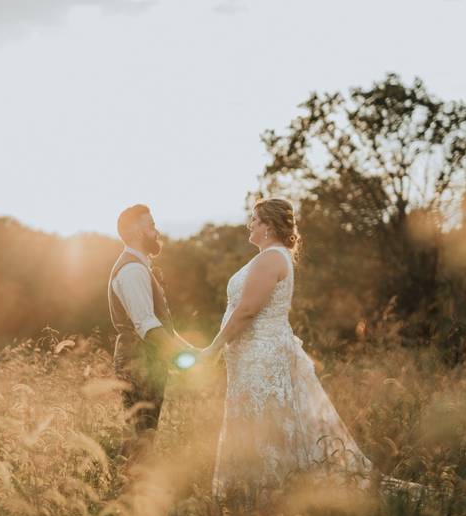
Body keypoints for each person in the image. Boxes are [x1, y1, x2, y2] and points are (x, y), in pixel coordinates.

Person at [200, 197, 420, 499]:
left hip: (262, 357)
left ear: (268, 225)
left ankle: (272, 491)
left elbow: (248, 309)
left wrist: (213, 348)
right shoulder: (271, 257)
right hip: (253, 355)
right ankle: (262, 490)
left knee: (266, 421)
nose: (249, 224)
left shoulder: (271, 259)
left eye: (254, 219)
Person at [108, 204, 193, 447]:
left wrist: (192, 351)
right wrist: (181, 356)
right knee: (141, 437)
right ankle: (131, 484)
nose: (157, 232)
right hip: (139, 363)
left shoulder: (140, 266)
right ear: (137, 232)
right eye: (152, 226)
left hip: (147, 362)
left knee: (144, 435)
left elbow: (162, 325)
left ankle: (133, 482)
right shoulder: (132, 269)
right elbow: (146, 325)